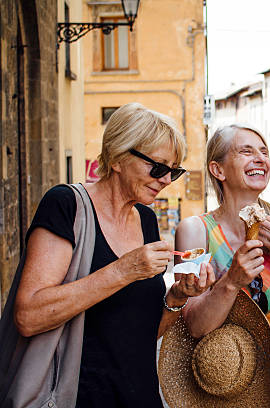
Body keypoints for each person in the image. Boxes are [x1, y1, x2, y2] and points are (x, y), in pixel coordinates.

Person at [11, 103, 215, 407]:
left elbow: (141, 334)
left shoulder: (146, 219)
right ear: (119, 157)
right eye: (158, 167)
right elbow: (28, 316)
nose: (166, 180)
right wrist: (123, 270)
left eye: (174, 171)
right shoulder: (66, 205)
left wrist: (176, 297)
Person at [175, 124, 270, 408]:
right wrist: (231, 281)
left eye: (264, 152)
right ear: (218, 170)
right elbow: (191, 328)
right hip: (221, 399)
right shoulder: (195, 232)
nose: (260, 158)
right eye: (246, 151)